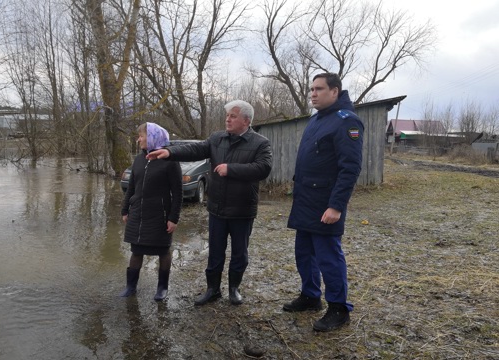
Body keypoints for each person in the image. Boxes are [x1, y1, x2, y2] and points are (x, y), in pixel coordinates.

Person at [147, 100, 272, 306]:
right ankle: (212, 290)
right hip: (217, 209)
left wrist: (230, 169)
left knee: (239, 254)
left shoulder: (260, 143)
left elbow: (263, 168)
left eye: (233, 116)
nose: (228, 119)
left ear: (246, 120)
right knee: (215, 252)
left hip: (242, 210)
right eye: (227, 115)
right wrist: (170, 153)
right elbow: (195, 150)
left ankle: (234, 289)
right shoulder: (216, 138)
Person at [284, 73, 364, 332]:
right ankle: (310, 296)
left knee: (329, 257)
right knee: (303, 253)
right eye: (311, 89)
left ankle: (339, 308)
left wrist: (336, 206)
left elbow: (350, 168)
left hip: (325, 204)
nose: (313, 94)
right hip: (305, 200)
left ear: (335, 91)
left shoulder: (346, 122)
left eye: (319, 89)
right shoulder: (317, 119)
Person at [120, 122, 183, 301]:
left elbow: (177, 192)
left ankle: (162, 288)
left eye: (141, 136)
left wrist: (173, 218)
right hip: (138, 213)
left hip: (160, 215)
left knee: (163, 251)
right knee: (136, 250)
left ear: (153, 137)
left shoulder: (169, 160)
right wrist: (125, 209)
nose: (138, 139)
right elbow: (131, 187)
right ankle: (130, 287)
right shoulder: (139, 159)